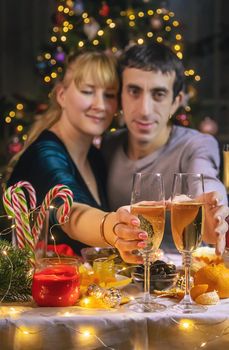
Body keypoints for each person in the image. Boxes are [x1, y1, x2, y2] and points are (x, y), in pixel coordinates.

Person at [5, 50, 147, 263]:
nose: (100, 105)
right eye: (88, 91)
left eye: (109, 95)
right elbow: (71, 213)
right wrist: (114, 228)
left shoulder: (95, 157)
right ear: (61, 95)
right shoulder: (44, 155)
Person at [102, 42, 229, 254]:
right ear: (120, 95)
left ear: (175, 101)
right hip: (120, 280)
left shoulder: (197, 144)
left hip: (181, 276)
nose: (144, 110)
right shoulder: (108, 145)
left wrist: (213, 211)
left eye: (158, 94)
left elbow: (205, 180)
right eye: (134, 91)